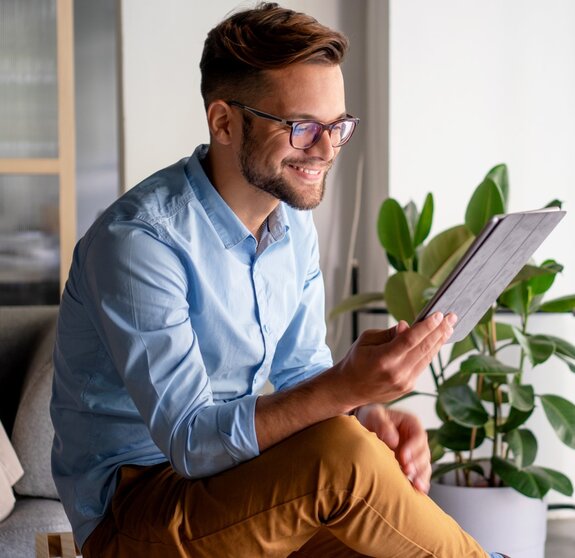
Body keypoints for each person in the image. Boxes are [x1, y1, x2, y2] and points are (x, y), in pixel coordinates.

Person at [51, 3, 510, 557]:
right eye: (301, 127)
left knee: (373, 494)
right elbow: (191, 442)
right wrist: (347, 389)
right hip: (136, 510)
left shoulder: (290, 221)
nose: (325, 149)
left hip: (238, 485)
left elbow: (302, 371)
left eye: (337, 126)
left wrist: (369, 411)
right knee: (343, 458)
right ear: (224, 121)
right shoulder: (139, 243)